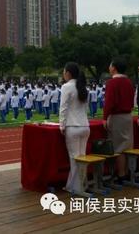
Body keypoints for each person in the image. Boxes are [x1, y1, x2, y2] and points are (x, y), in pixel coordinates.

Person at [59, 62, 90, 194]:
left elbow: (63, 107)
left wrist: (62, 124)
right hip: (85, 126)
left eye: (64, 71)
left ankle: (77, 187)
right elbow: (86, 108)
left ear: (68, 73)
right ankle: (77, 184)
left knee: (74, 158)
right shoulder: (83, 87)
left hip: (73, 126)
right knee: (82, 157)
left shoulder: (67, 87)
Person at [104, 58, 135, 182]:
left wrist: (105, 118)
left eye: (110, 66)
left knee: (119, 147)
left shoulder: (112, 83)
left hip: (117, 117)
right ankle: (127, 171)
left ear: (114, 68)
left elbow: (109, 102)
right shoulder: (129, 82)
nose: (109, 68)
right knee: (127, 145)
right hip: (128, 116)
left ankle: (121, 174)